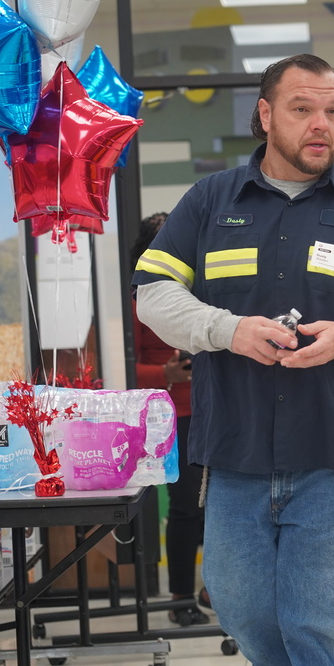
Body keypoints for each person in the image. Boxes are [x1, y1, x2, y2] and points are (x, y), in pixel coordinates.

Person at [131, 54, 334, 664]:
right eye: (302, 109)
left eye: (333, 111)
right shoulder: (210, 201)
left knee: (322, 625)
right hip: (237, 453)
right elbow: (154, 295)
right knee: (240, 607)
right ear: (265, 113)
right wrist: (226, 330)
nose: (321, 124)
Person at [130, 212, 210, 626]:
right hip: (170, 418)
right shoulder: (137, 300)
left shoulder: (198, 291)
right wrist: (164, 375)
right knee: (185, 509)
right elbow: (124, 367)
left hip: (212, 411)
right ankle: (181, 598)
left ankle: (214, 590)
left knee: (223, 504)